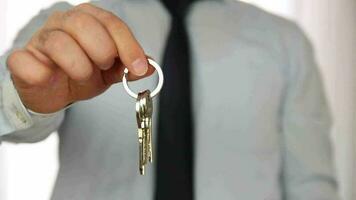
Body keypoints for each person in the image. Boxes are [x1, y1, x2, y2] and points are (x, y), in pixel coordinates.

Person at [0, 0, 339, 199]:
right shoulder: (63, 28)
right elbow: (8, 121)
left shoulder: (285, 41)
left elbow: (310, 181)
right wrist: (26, 100)